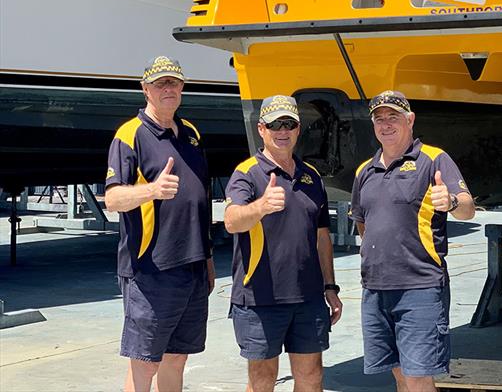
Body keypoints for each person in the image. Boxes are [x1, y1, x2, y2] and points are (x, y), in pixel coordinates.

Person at [350, 90, 476, 392]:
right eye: (379, 119)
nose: (386, 124)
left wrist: (452, 204)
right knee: (399, 375)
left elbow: (468, 207)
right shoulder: (363, 171)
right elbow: (362, 222)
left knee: (419, 378)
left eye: (393, 117)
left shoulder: (434, 159)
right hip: (376, 289)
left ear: (410, 119)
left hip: (419, 287)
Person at [105, 56, 215, 392]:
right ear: (146, 89)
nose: (169, 89)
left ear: (182, 88)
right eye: (161, 84)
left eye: (174, 83)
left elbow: (200, 203)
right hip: (151, 269)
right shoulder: (130, 134)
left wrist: (208, 259)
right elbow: (112, 199)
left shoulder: (191, 133)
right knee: (145, 361)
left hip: (193, 267)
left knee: (177, 357)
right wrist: (152, 190)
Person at [224, 95, 342, 392]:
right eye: (275, 124)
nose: (282, 131)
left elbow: (322, 237)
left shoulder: (311, 177)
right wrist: (260, 206)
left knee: (312, 376)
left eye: (289, 124)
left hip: (308, 297)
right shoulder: (247, 174)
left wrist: (330, 287)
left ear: (298, 129)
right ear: (261, 129)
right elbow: (231, 221)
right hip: (260, 297)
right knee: (262, 380)